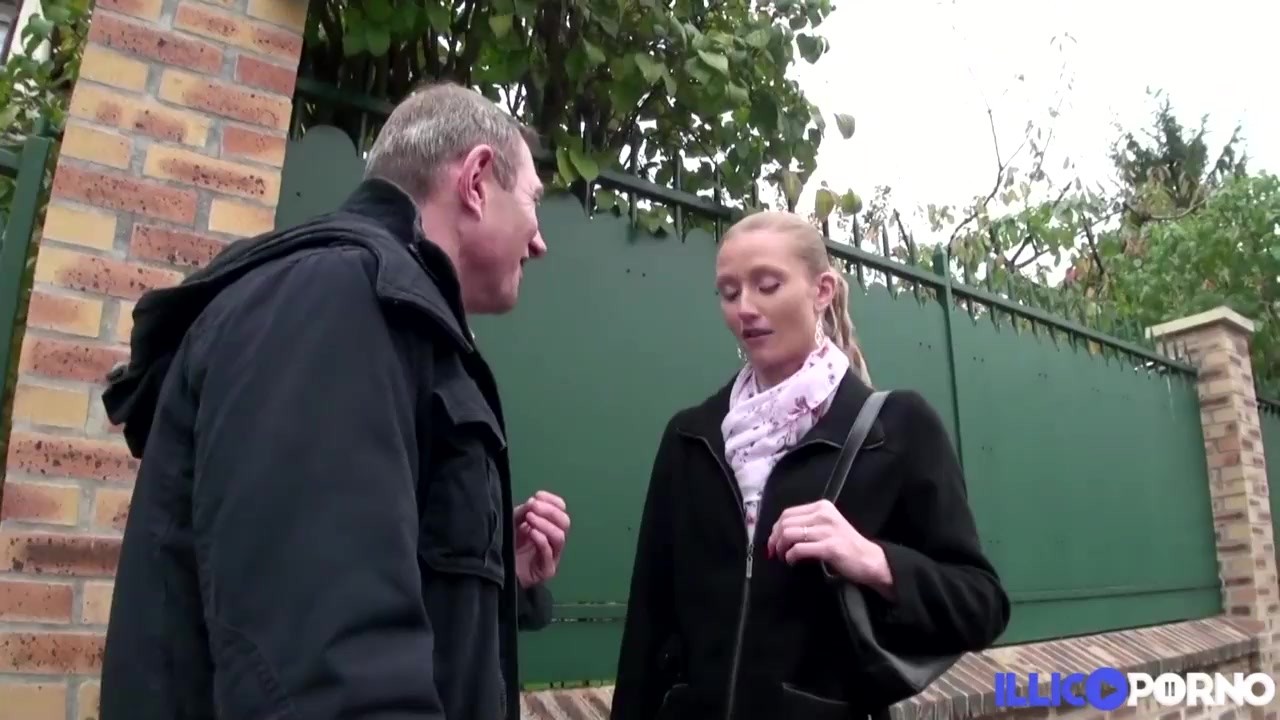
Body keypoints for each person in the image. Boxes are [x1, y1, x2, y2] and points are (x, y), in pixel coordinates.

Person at [98, 82, 570, 720]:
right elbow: (328, 674)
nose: (540, 243)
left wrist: (484, 570)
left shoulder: (379, 313)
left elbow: (348, 585)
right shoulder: (331, 301)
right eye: (534, 201)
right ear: (477, 181)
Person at [610, 210, 1010, 720]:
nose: (745, 308)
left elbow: (982, 605)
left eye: (768, 286)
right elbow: (647, 622)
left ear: (822, 291)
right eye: (729, 293)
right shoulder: (691, 437)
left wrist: (874, 561)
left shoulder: (896, 429)